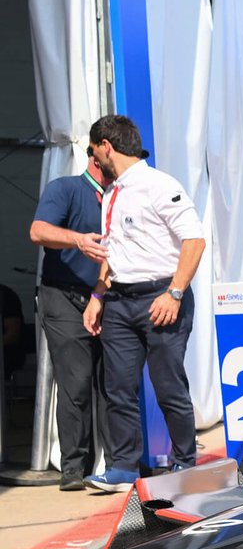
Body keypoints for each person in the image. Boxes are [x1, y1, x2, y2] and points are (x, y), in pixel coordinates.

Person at [80, 115, 205, 493]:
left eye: (92, 151)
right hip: (119, 299)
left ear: (105, 146)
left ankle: (185, 462)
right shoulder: (113, 192)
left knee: (168, 385)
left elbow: (194, 240)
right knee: (117, 387)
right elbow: (113, 249)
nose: (92, 161)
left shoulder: (158, 185)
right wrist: (97, 296)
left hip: (161, 297)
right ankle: (122, 467)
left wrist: (175, 292)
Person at [29, 154, 111, 489]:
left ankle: (117, 463)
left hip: (106, 296)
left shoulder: (124, 197)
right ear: (96, 153)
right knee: (76, 382)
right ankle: (74, 467)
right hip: (63, 296)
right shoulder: (66, 188)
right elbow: (38, 230)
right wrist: (78, 239)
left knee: (113, 384)